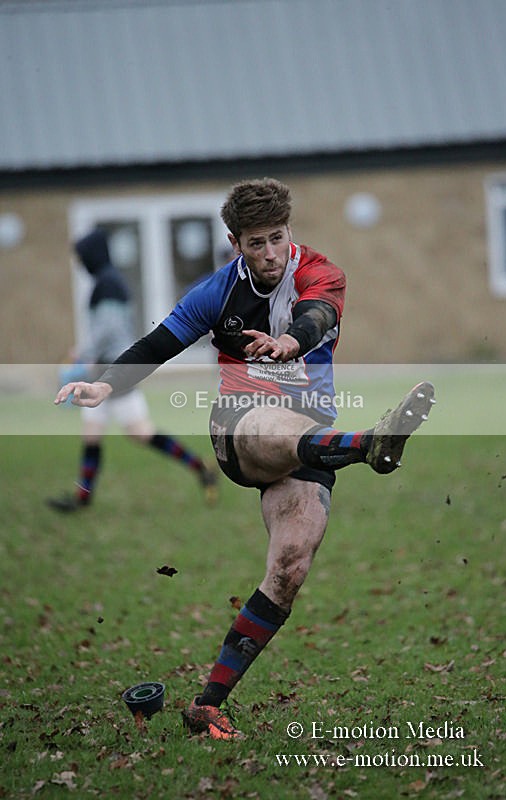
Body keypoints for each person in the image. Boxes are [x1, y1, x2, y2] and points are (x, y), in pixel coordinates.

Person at [54, 179, 435, 739]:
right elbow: (160, 342)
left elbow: (318, 317)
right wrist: (105, 386)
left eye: (277, 239)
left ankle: (207, 704)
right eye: (256, 243)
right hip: (240, 426)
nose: (270, 254)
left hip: (309, 435)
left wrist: (290, 342)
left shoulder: (322, 272)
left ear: (289, 231)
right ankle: (368, 445)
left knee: (289, 568)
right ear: (236, 243)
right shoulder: (216, 292)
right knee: (274, 429)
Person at [47, 227, 217, 512]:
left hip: (113, 372)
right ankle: (82, 498)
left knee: (139, 432)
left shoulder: (108, 283)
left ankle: (200, 466)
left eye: (82, 256)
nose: (80, 263)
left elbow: (110, 327)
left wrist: (84, 352)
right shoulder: (108, 280)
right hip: (104, 371)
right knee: (96, 434)